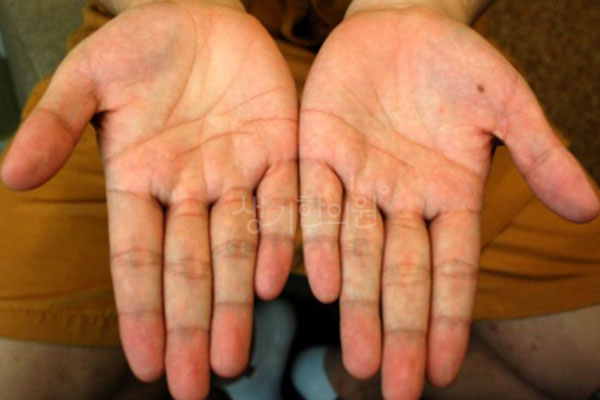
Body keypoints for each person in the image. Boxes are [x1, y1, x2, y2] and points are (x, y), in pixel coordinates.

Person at [0, 0, 598, 399]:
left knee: (581, 362)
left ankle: (338, 381)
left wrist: (417, 5)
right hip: (172, 69)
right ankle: (234, 355)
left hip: (410, 78)